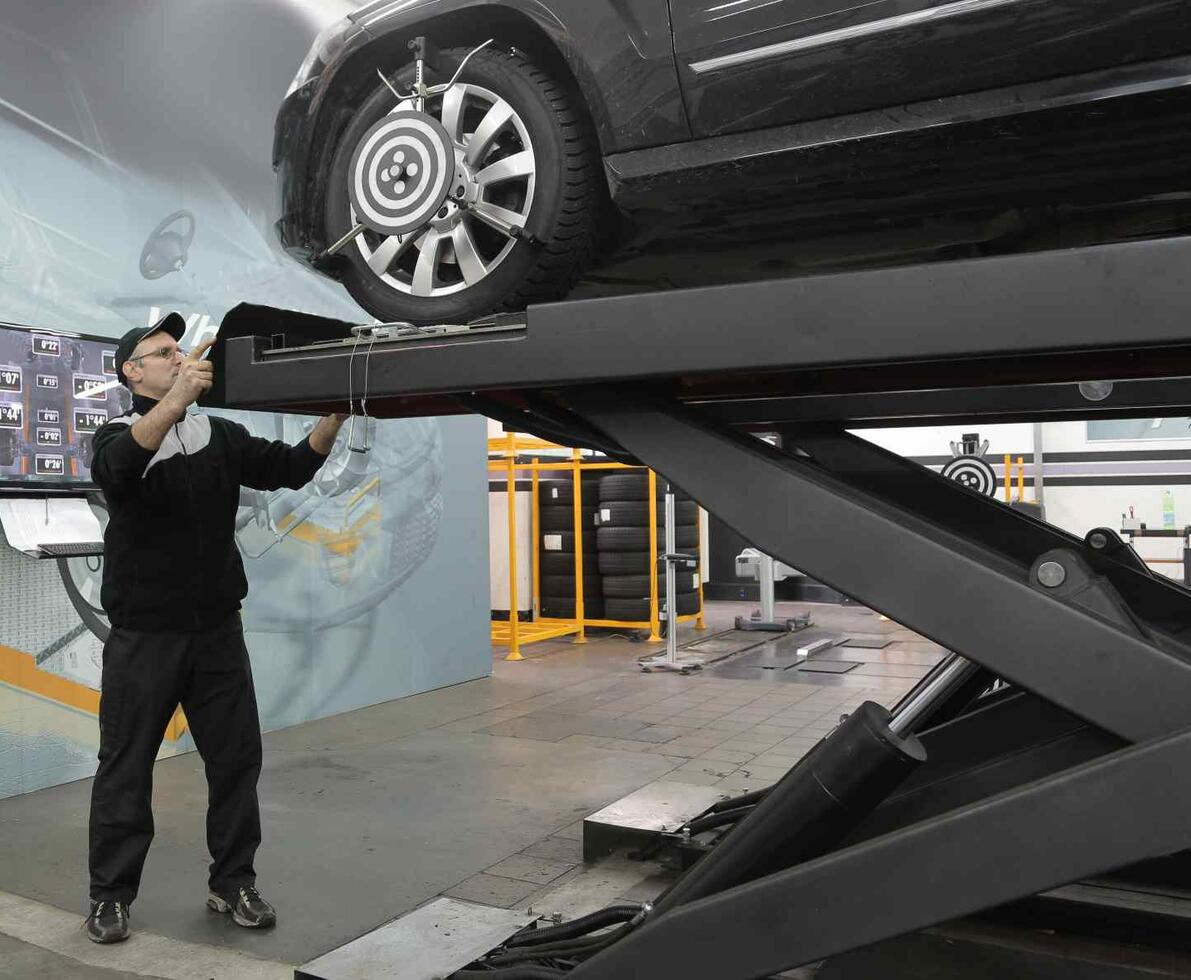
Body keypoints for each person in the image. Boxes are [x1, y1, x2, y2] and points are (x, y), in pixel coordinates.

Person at [84, 313, 345, 944]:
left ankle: (234, 883)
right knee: (125, 767)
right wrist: (177, 398)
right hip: (145, 637)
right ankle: (109, 896)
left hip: (217, 635)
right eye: (162, 352)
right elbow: (122, 469)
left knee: (236, 763)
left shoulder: (220, 436)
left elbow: (289, 467)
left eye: (180, 350)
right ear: (132, 372)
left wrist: (333, 417)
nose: (177, 357)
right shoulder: (115, 436)